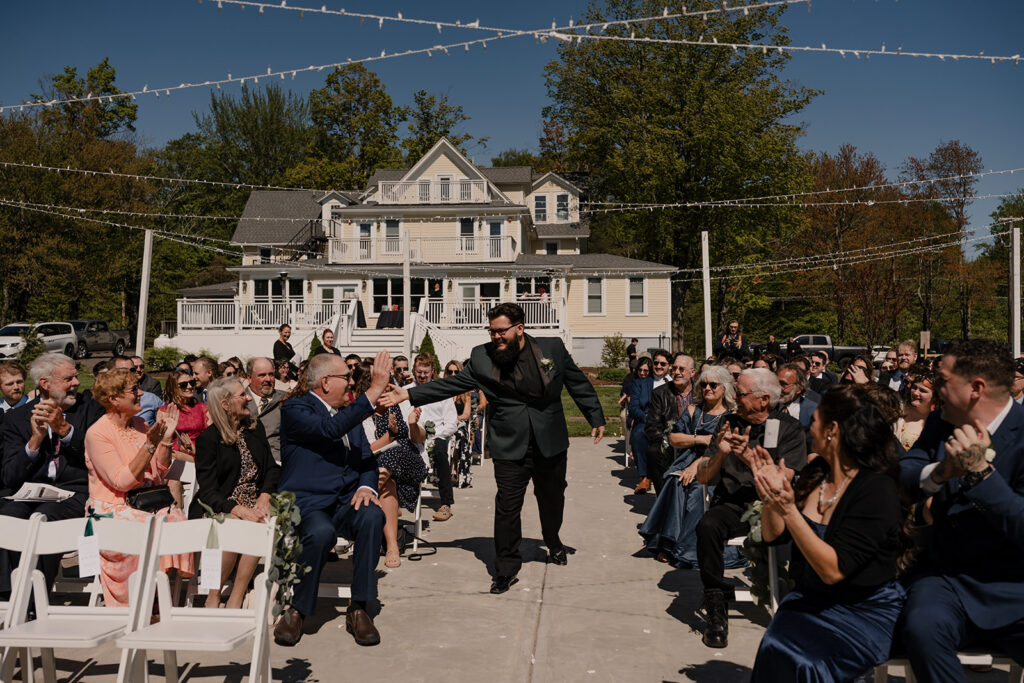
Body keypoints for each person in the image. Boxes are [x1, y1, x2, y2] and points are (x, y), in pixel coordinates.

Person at [380, 303, 605, 595]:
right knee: (507, 507)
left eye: (501, 331)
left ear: (519, 328)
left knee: (552, 499)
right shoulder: (482, 357)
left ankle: (552, 539)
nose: (496, 337)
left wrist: (595, 415)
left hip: (549, 440)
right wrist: (409, 394)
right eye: (492, 331)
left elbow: (576, 381)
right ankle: (505, 569)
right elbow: (452, 385)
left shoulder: (552, 347)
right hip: (509, 442)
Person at [750, 385, 910, 680]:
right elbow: (774, 536)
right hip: (809, 600)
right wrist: (772, 498)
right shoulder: (817, 474)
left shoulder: (876, 489)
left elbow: (833, 571)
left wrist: (789, 511)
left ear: (832, 429)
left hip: (862, 612)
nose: (810, 426)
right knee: (775, 645)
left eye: (816, 419)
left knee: (807, 662)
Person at [899, 339, 1024, 682]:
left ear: (976, 388)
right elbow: (904, 473)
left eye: (942, 380)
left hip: (1015, 582)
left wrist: (980, 473)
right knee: (922, 629)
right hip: (947, 576)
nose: (934, 387)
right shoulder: (942, 422)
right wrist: (941, 472)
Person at [272, 351, 391, 648]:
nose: (351, 382)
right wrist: (373, 390)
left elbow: (366, 460)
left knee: (373, 516)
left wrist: (368, 488)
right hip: (309, 501)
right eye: (346, 377)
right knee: (321, 533)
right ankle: (298, 608)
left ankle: (360, 606)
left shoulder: (348, 411)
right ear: (325, 382)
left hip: (345, 501)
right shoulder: (296, 408)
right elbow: (328, 430)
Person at [695, 368, 808, 648]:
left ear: (763, 399)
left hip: (772, 508)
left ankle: (798, 609)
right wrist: (721, 453)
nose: (734, 398)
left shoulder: (789, 430)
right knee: (707, 525)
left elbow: (782, 484)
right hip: (732, 505)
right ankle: (716, 606)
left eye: (740, 394)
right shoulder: (728, 422)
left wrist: (747, 457)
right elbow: (702, 477)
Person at [83, 368, 193, 607]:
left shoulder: (141, 424)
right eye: (133, 389)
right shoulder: (97, 433)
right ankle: (142, 601)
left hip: (146, 502)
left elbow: (159, 469)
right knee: (150, 526)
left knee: (176, 520)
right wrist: (149, 446)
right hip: (112, 508)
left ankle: (157, 593)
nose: (141, 393)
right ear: (113, 399)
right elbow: (121, 482)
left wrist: (164, 440)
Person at [0, 353, 104, 596]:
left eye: (76, 376)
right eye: (68, 378)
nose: (77, 383)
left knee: (42, 518)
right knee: (6, 518)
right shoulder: (17, 418)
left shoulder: (90, 411)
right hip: (31, 492)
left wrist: (65, 430)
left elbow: (98, 457)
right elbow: (9, 476)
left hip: (75, 493)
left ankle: (37, 598)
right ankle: (7, 597)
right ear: (45, 384)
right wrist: (34, 442)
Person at [639, 364, 743, 569]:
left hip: (717, 463)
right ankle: (669, 544)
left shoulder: (732, 414)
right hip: (687, 458)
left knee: (698, 490)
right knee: (674, 482)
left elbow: (722, 448)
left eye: (713, 384)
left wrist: (698, 463)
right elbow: (675, 438)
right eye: (703, 384)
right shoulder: (694, 409)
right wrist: (701, 439)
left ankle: (689, 549)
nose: (707, 389)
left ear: (725, 387)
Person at [191, 377, 280, 609]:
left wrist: (265, 495)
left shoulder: (254, 427)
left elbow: (271, 467)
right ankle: (213, 594)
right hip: (223, 504)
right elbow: (208, 491)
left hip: (256, 500)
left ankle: (237, 597)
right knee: (234, 528)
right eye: (242, 395)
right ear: (225, 404)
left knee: (258, 521)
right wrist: (237, 508)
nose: (249, 398)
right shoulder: (208, 440)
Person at [350, 360, 426, 570]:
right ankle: (392, 545)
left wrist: (411, 424)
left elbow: (420, 438)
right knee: (386, 482)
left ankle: (361, 517)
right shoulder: (361, 409)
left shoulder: (401, 399)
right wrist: (389, 435)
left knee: (386, 462)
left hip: (408, 456)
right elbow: (369, 448)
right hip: (379, 461)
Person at [411, 353, 459, 521]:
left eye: (425, 372)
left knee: (439, 451)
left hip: (436, 436)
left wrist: (435, 436)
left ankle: (446, 503)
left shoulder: (441, 392)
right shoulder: (407, 391)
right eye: (419, 372)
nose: (422, 376)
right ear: (414, 370)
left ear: (432, 371)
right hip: (412, 436)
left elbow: (451, 423)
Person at [644, 352, 696, 493]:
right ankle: (664, 498)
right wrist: (669, 441)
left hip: (697, 441)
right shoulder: (660, 393)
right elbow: (652, 426)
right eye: (674, 369)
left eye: (681, 369)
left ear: (692, 373)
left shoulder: (701, 392)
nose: (677, 372)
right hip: (671, 442)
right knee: (653, 452)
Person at [245, 357, 286, 463]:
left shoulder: (286, 400)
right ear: (249, 378)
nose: (268, 379)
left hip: (277, 462)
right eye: (262, 375)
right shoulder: (238, 401)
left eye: (271, 374)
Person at [626, 357, 655, 493]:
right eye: (640, 370)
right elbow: (633, 407)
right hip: (643, 418)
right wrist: (645, 418)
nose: (643, 373)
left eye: (646, 370)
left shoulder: (663, 381)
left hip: (663, 419)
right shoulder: (638, 384)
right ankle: (645, 477)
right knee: (639, 434)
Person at [445, 360, 475, 489]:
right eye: (450, 371)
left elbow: (466, 414)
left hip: (458, 423)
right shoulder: (442, 389)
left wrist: (455, 419)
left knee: (459, 435)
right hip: (443, 423)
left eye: (456, 371)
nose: (453, 374)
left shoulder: (465, 391)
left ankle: (456, 470)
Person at [112, 356, 164, 427]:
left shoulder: (151, 398)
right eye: (124, 371)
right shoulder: (100, 404)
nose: (130, 373)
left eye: (132, 370)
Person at [895, 371, 936, 451]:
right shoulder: (898, 411)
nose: (916, 393)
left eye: (922, 390)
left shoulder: (938, 421)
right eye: (914, 388)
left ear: (934, 396)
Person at [775, 362, 819, 430]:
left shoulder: (813, 411)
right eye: (776, 383)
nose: (778, 388)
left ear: (799, 389)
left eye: (784, 384)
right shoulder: (769, 406)